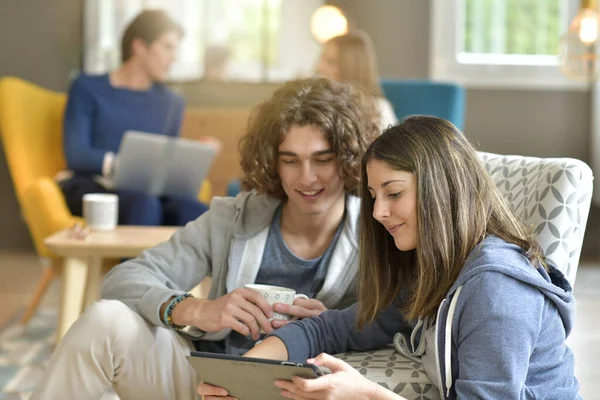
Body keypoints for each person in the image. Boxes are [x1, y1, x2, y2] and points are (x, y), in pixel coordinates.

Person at [30, 77, 380, 399]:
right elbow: (124, 279)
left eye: (323, 159)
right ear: (273, 162)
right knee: (105, 320)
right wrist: (197, 309)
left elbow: (398, 325)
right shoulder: (232, 217)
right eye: (290, 160)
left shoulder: (377, 230)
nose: (307, 178)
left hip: (304, 391)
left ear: (348, 158)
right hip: (207, 384)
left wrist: (332, 325)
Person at [199, 116, 581, 399]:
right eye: (373, 196)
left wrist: (368, 394)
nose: (378, 212)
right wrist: (245, 372)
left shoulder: (496, 292)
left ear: (442, 189)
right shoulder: (435, 274)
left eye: (393, 193)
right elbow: (330, 328)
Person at [60, 9, 217, 227]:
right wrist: (123, 165)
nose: (174, 57)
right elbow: (77, 156)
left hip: (149, 193)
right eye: (167, 47)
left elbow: (166, 162)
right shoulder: (86, 88)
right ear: (140, 46)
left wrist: (197, 155)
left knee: (196, 211)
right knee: (144, 205)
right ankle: (134, 263)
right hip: (93, 188)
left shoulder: (172, 102)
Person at [317, 30, 397, 132]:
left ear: (352, 67)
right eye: (321, 59)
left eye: (330, 62)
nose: (320, 67)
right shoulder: (318, 105)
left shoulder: (380, 110)